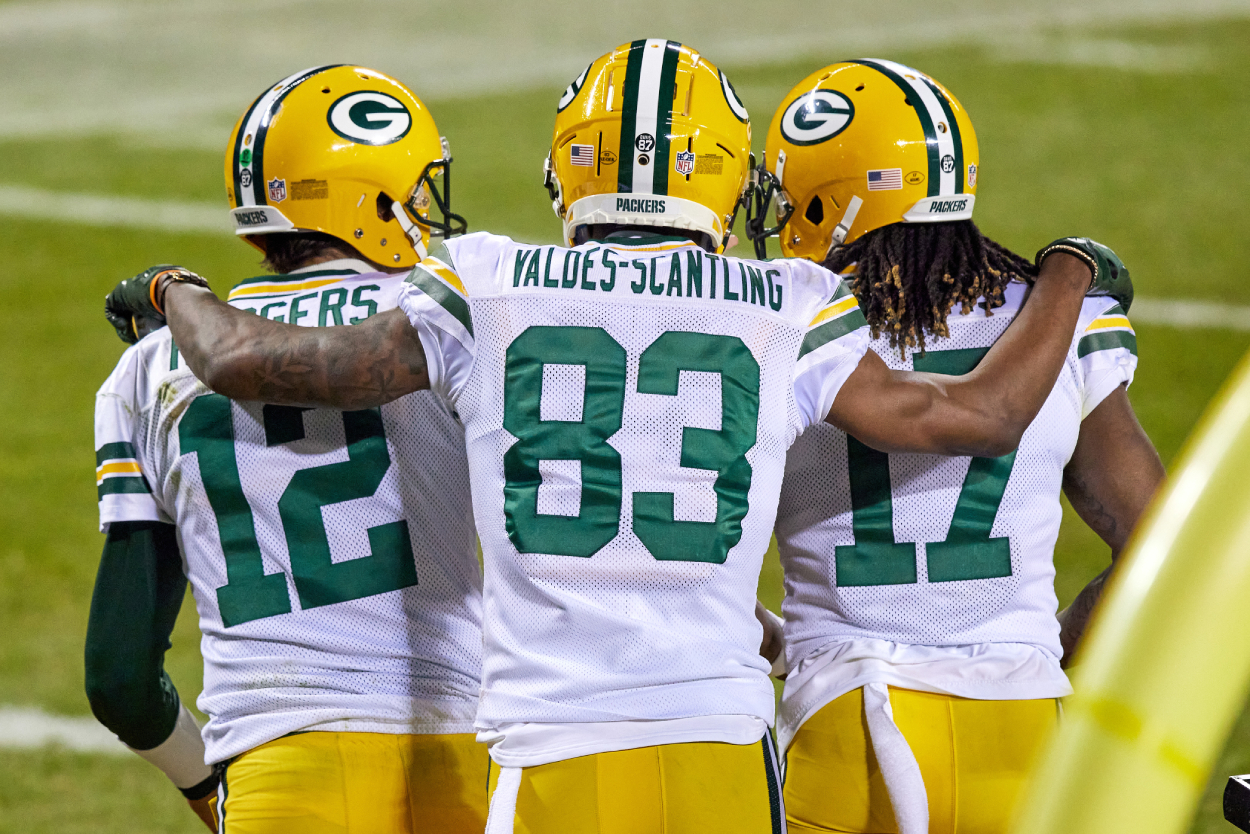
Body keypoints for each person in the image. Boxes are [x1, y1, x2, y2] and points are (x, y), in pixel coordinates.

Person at [106, 41, 1126, 834]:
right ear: (724, 178)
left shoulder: (486, 282)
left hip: (549, 747)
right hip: (719, 744)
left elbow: (253, 364)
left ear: (566, 170)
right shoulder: (785, 301)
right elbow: (975, 419)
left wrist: (172, 290)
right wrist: (1069, 276)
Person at [747, 59, 1165, 834]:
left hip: (848, 734)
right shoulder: (1059, 322)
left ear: (826, 195)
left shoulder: (781, 326)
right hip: (1021, 734)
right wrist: (1052, 638)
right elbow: (1157, 547)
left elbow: (673, 539)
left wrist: (768, 636)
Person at [88, 65, 488, 833]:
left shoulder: (148, 364)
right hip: (463, 754)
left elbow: (119, 679)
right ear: (370, 196)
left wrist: (207, 791)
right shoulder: (449, 322)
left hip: (283, 769)